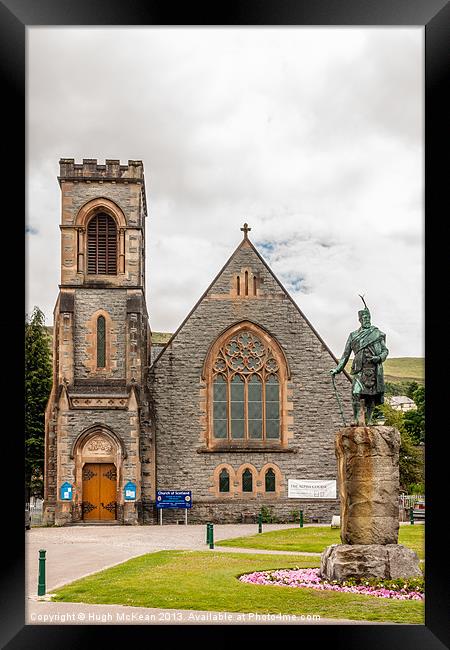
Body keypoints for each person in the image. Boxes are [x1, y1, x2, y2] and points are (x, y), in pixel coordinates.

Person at [330, 298, 388, 425]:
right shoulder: (353, 336)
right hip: (359, 369)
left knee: (371, 397)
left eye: (368, 317)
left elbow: (385, 351)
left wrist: (379, 358)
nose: (367, 320)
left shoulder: (377, 334)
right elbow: (345, 355)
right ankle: (356, 419)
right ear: (360, 320)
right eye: (365, 318)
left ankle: (370, 420)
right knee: (356, 393)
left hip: (373, 369)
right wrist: (338, 369)